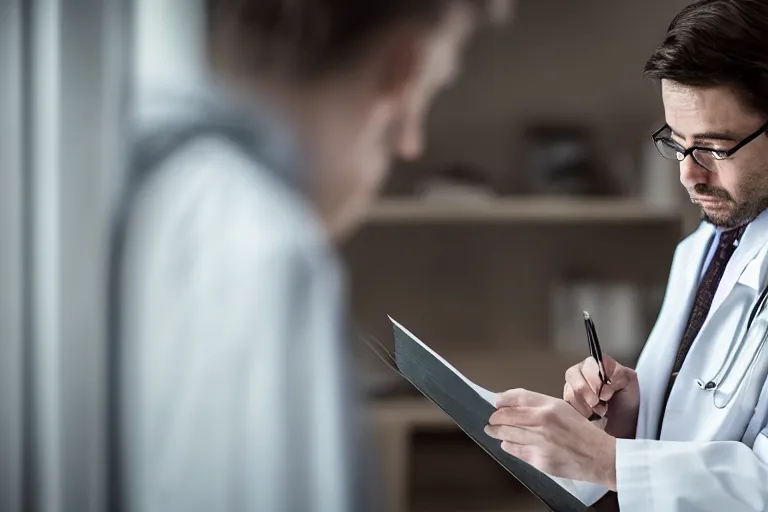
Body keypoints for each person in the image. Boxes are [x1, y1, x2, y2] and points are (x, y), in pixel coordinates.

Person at [108, 1, 512, 512]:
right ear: (402, 68)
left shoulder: (140, 192)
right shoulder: (261, 249)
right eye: (433, 89)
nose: (411, 144)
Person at [484, 1, 768, 510]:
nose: (688, 173)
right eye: (677, 143)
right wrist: (632, 420)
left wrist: (608, 461)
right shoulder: (702, 249)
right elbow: (689, 435)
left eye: (715, 148)